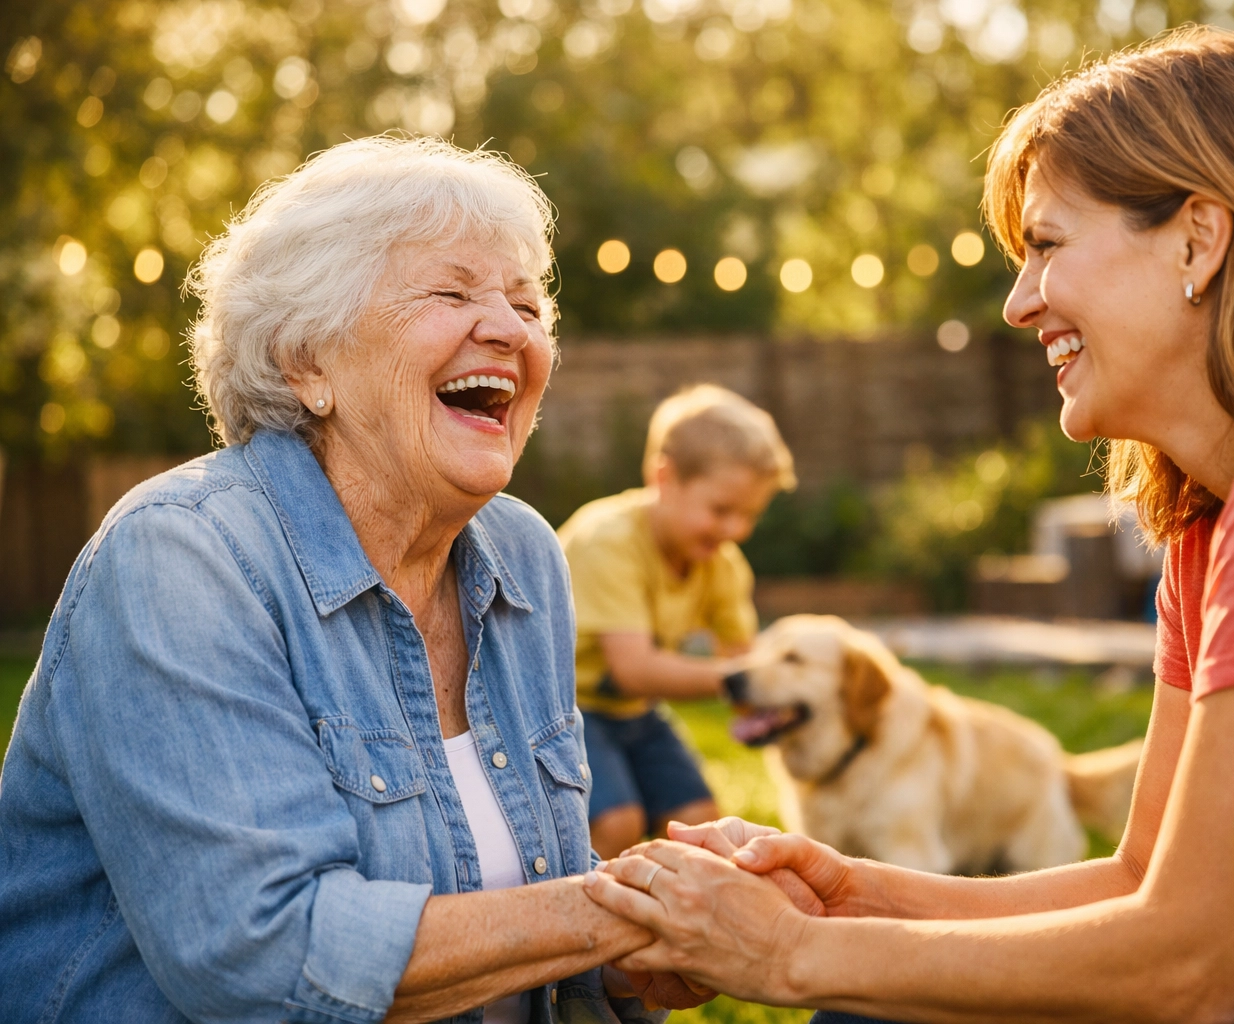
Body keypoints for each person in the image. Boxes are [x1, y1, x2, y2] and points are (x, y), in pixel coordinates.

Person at [582, 27, 1234, 1024]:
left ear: (1199, 240)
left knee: (864, 1005)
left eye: (1046, 245)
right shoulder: (1221, 515)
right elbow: (1139, 880)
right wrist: (850, 895)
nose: (1017, 302)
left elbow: (1190, 965)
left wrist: (790, 954)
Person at [0, 137, 707, 1024]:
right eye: (452, 293)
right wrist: (618, 915)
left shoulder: (522, 555)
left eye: (527, 305)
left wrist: (649, 937)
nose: (510, 329)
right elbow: (264, 955)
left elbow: (515, 895)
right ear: (308, 364)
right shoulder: (182, 559)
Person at [558, 385, 795, 858]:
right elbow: (635, 668)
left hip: (635, 712)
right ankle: (581, 921)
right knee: (616, 822)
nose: (735, 531)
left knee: (704, 826)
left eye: (749, 515)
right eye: (721, 510)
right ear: (664, 478)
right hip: (563, 710)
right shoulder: (608, 542)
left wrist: (776, 704)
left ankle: (679, 921)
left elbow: (742, 659)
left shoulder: (721, 564)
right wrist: (738, 681)